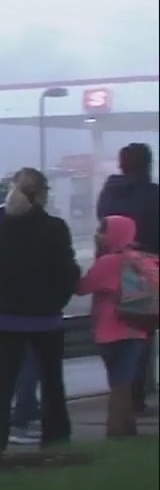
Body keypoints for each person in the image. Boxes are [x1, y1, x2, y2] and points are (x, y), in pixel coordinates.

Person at [0, 167, 81, 452]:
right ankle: (55, 437)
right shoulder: (54, 228)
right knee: (51, 380)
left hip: (4, 317)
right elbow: (66, 272)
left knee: (4, 378)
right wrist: (56, 301)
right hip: (44, 318)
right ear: (39, 195)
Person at [96, 142, 159, 417]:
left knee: (115, 331)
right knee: (141, 332)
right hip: (143, 269)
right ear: (147, 164)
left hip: (110, 268)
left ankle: (121, 394)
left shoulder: (108, 193)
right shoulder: (152, 194)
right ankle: (135, 397)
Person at [0, 207, 43, 444]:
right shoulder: (16, 229)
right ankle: (18, 418)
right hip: (19, 308)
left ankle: (7, 415)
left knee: (12, 366)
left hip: (0, 304)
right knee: (22, 365)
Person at [76, 216, 152, 437]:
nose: (98, 235)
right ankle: (127, 427)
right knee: (124, 381)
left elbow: (81, 288)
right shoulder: (141, 260)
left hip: (110, 331)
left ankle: (116, 429)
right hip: (137, 329)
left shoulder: (108, 262)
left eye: (103, 230)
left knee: (118, 383)